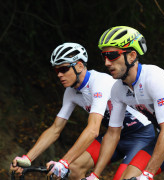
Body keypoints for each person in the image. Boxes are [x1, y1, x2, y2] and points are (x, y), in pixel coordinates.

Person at [10, 42, 155, 180]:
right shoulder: (70, 92)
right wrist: (27, 158)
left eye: (63, 69)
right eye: (56, 70)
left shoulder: (99, 83)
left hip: (141, 136)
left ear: (79, 66)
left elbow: (93, 130)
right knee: (74, 169)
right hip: (114, 135)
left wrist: (63, 162)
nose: (59, 74)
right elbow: (55, 129)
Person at [84, 26, 164, 180]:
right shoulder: (117, 90)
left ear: (132, 56)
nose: (107, 62)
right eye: (104, 56)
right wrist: (95, 175)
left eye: (112, 55)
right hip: (162, 141)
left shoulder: (154, 78)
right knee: (126, 178)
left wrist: (147, 174)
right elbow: (112, 134)